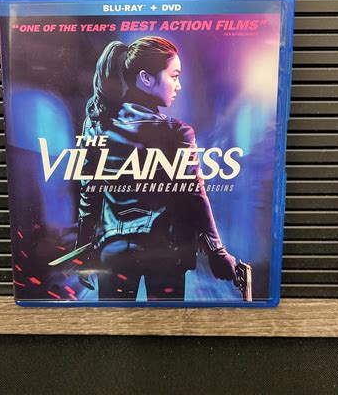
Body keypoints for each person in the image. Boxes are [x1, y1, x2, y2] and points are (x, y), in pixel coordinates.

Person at [75, 36, 236, 301]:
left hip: (113, 249)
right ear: (146, 78)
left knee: (112, 321)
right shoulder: (177, 132)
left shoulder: (97, 125)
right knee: (168, 322)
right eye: (174, 76)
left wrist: (83, 248)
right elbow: (194, 194)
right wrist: (217, 252)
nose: (179, 85)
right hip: (165, 252)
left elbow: (89, 193)